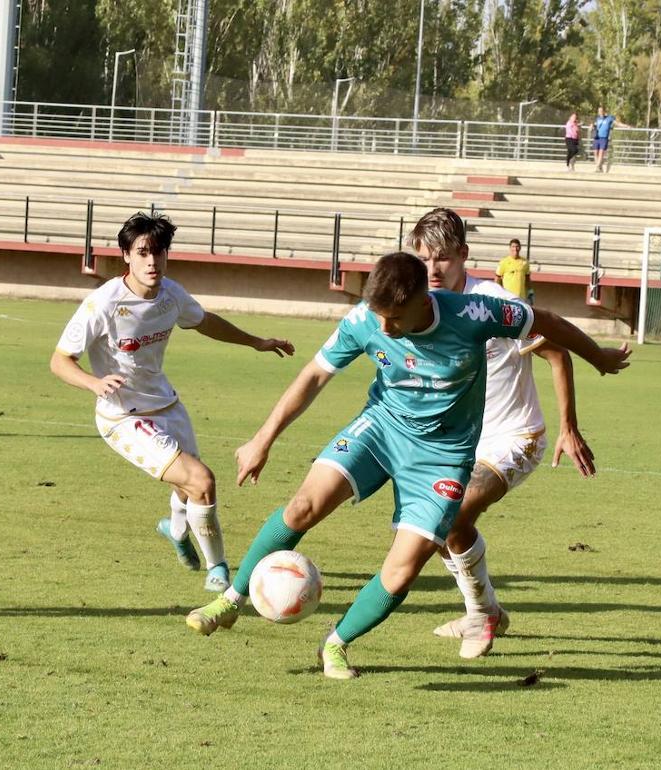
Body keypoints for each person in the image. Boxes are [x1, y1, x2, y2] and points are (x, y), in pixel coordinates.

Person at [186, 224, 630, 680]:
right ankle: (232, 599)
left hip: (443, 456)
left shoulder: (474, 313)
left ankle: (336, 644)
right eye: (377, 315)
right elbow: (314, 377)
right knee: (303, 505)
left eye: (393, 319)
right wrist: (263, 438)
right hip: (381, 429)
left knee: (400, 572)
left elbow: (549, 324)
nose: (383, 327)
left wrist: (599, 357)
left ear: (423, 301)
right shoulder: (365, 319)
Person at [51, 212, 295, 592]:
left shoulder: (171, 295)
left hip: (167, 406)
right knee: (202, 481)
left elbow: (205, 321)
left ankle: (176, 528)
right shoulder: (102, 304)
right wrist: (93, 382)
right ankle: (220, 573)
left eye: (159, 252)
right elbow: (59, 360)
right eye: (143, 252)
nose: (153, 261)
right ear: (126, 256)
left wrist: (257, 342)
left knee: (189, 489)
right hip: (122, 418)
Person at [411, 209, 595, 659]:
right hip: (461, 442)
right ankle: (487, 608)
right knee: (429, 528)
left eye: (443, 259)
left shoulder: (491, 302)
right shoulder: (420, 304)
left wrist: (570, 427)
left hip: (517, 437)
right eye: (424, 259)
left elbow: (556, 353)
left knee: (454, 520)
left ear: (464, 257)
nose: (433, 269)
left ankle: (480, 616)